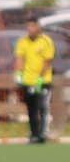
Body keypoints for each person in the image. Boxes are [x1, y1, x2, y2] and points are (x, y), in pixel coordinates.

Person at [14, 15, 55, 143]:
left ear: (38, 27)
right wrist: (18, 74)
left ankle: (43, 133)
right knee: (31, 108)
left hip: (43, 80)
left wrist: (39, 78)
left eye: (32, 26)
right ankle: (34, 134)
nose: (30, 29)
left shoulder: (46, 41)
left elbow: (47, 61)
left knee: (42, 106)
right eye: (28, 26)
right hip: (28, 80)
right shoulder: (22, 41)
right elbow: (19, 59)